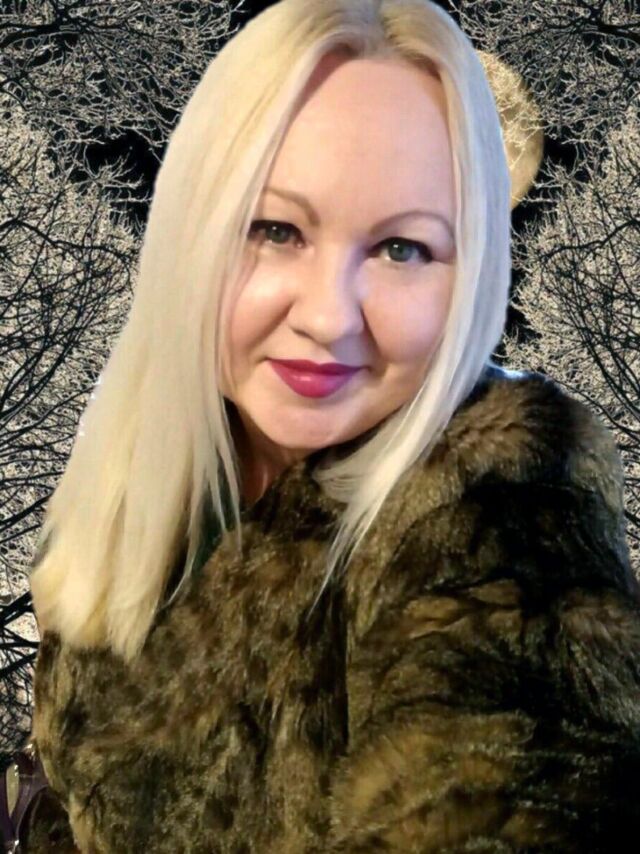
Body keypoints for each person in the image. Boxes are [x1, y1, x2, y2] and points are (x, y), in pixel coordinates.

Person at [22, 0, 640, 851]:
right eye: (275, 230)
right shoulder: (130, 491)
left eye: (402, 249)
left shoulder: (505, 502)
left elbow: (517, 778)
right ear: (193, 236)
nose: (327, 317)